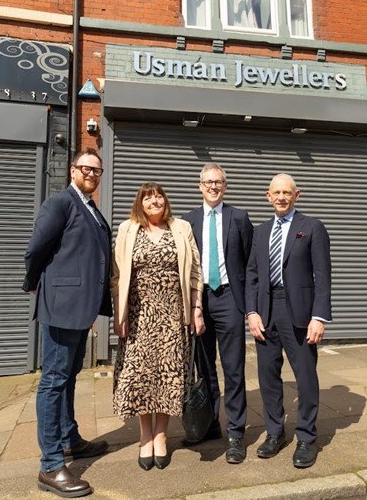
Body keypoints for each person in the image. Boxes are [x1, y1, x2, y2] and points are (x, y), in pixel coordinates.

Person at [22, 148, 112, 498]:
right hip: (61, 306)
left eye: (96, 169)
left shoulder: (89, 207)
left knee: (69, 376)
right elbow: (36, 249)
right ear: (73, 170)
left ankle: (69, 439)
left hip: (79, 308)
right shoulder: (60, 203)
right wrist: (34, 284)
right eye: (85, 168)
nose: (91, 173)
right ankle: (50, 465)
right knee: (54, 380)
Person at [111, 182, 205, 471]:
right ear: (140, 203)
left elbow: (195, 271)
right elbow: (116, 276)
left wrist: (197, 309)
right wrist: (119, 314)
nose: (154, 201)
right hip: (139, 316)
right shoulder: (128, 229)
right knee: (141, 376)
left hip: (173, 315)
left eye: (158, 196)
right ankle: (145, 436)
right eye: (148, 197)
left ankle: (162, 436)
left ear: (166, 201)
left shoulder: (181, 227)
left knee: (168, 377)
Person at [246, 173, 331, 468]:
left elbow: (322, 276)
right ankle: (275, 432)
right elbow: (252, 276)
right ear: (267, 196)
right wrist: (252, 312)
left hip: (301, 314)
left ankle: (307, 437)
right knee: (268, 378)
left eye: (287, 192)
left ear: (297, 195)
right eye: (276, 192)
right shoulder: (260, 231)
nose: (281, 197)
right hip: (266, 312)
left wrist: (318, 317)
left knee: (305, 376)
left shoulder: (312, 227)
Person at [183, 163, 253, 464]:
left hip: (229, 299)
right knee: (205, 367)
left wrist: (250, 307)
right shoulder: (187, 221)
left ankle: (236, 433)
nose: (213, 186)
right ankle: (211, 424)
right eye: (208, 182)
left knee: (234, 368)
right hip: (200, 301)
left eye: (219, 182)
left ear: (225, 186)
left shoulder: (239, 218)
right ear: (200, 185)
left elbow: (251, 266)